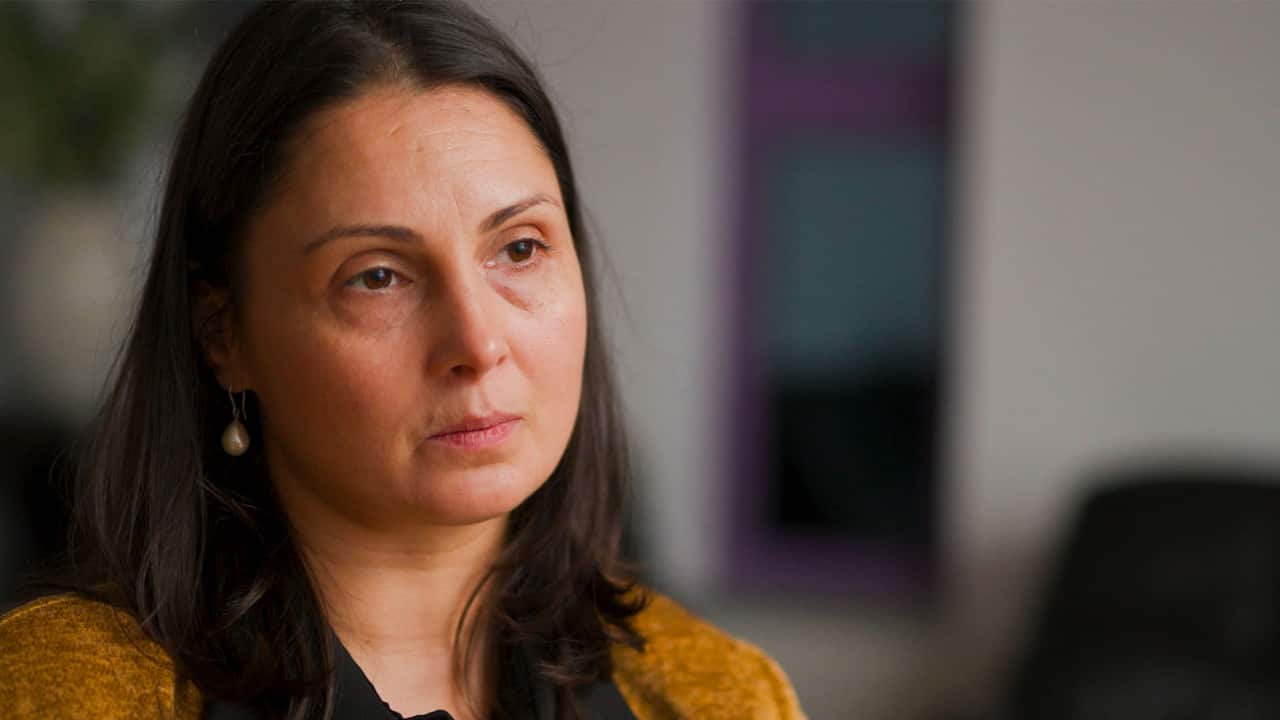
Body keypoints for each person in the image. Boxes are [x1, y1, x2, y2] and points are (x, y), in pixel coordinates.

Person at [0, 2, 805, 719]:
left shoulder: (722, 696)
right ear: (223, 334)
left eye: (520, 249)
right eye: (377, 277)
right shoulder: (65, 692)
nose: (478, 344)